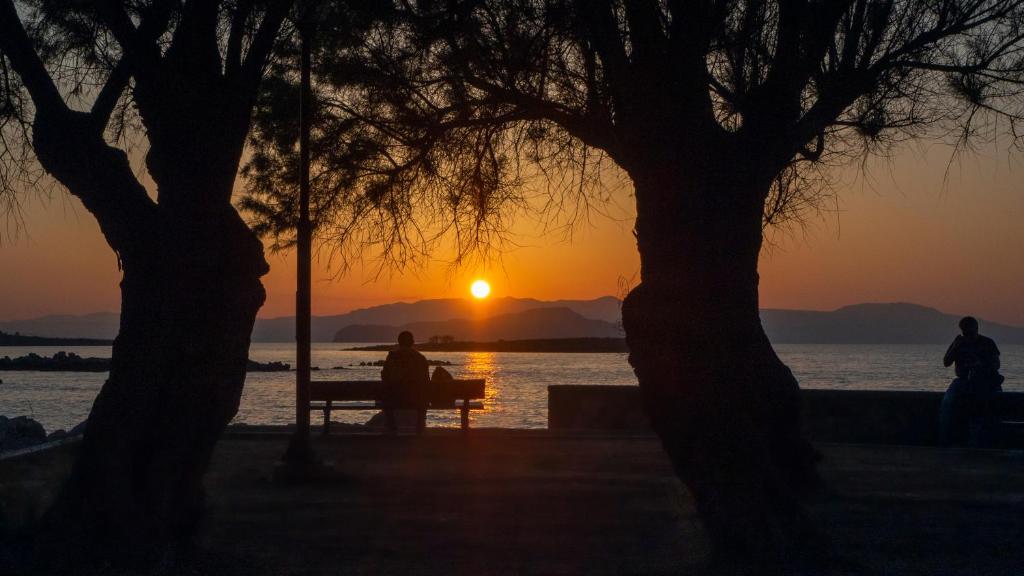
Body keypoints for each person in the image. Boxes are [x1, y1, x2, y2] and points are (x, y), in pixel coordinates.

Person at [939, 316, 1004, 446]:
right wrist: (955, 347)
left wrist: (981, 364)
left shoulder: (987, 342)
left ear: (976, 329)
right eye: (965, 332)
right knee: (947, 402)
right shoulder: (958, 342)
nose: (968, 335)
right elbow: (946, 362)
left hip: (984, 381)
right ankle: (944, 439)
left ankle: (983, 440)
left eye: (970, 332)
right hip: (963, 381)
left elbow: (996, 364)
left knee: (988, 404)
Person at [381, 331, 430, 434]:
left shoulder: (392, 357)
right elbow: (426, 381)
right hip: (417, 399)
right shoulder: (420, 358)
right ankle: (420, 427)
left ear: (399, 342)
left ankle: (392, 427)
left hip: (394, 399)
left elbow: (385, 377)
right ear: (412, 342)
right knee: (423, 397)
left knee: (386, 395)